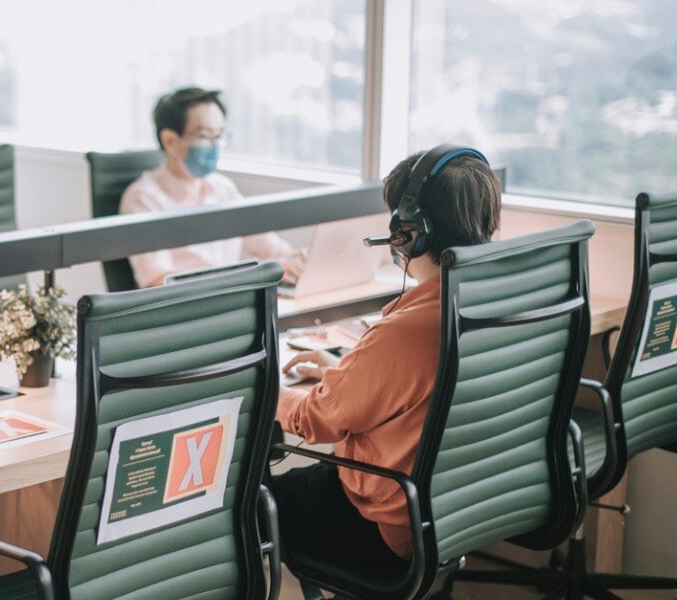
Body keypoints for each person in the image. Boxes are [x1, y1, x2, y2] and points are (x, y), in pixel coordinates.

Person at [269, 147, 501, 591]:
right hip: (462, 507)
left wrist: (262, 390)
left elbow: (315, 420)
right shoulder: (499, 299)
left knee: (254, 498)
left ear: (411, 231)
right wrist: (345, 370)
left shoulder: (410, 330)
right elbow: (413, 380)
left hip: (390, 527)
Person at [119, 87, 305, 288]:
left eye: (219, 136)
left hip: (232, 302)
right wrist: (249, 274)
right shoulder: (144, 198)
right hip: (185, 311)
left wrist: (296, 260)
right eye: (205, 136)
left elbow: (274, 249)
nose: (214, 146)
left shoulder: (222, 189)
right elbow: (156, 281)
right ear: (170, 141)